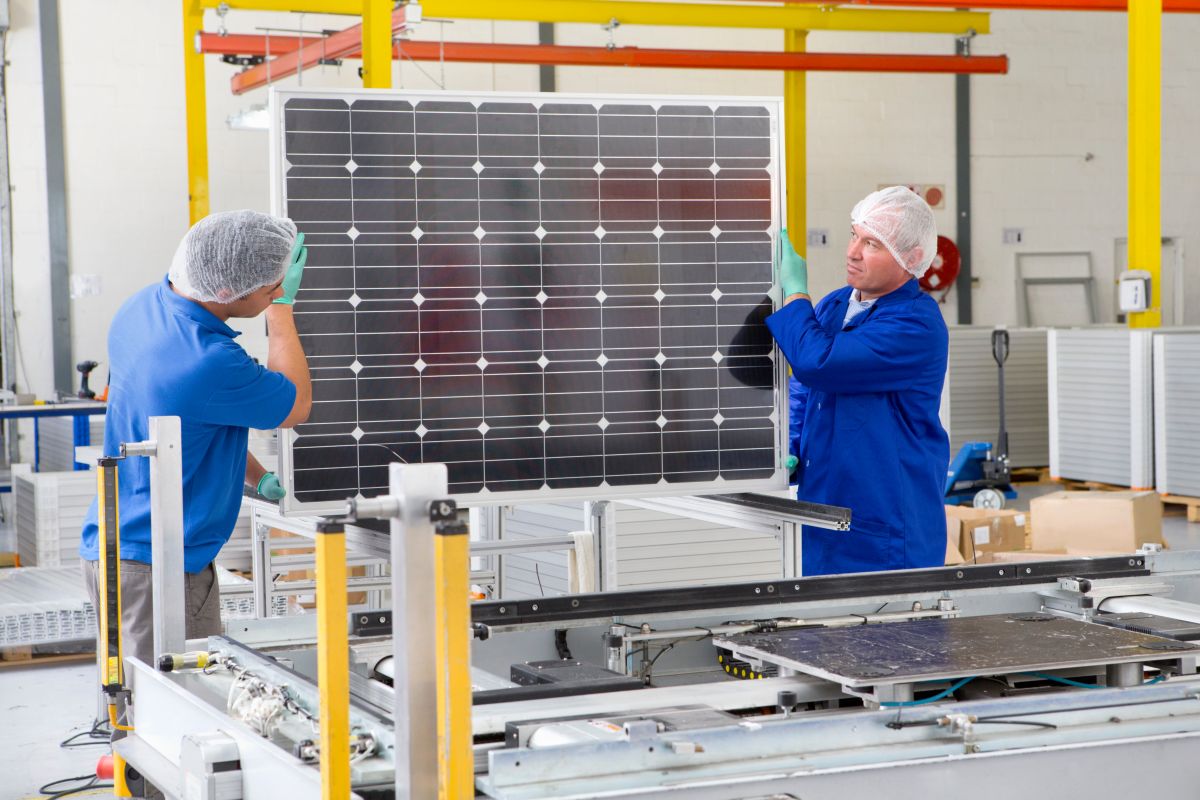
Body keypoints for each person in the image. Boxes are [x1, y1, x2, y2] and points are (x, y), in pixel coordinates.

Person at [79, 210, 312, 666]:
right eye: (269, 289)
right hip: (160, 568)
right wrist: (282, 312)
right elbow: (296, 404)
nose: (276, 292)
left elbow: (189, 423)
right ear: (226, 291)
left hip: (114, 546)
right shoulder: (212, 361)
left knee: (126, 693)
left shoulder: (141, 308)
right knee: (178, 699)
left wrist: (256, 475)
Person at [766, 186, 949, 576]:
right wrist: (791, 443)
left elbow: (818, 363)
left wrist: (795, 294)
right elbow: (805, 387)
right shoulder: (836, 303)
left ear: (911, 257)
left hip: (884, 524)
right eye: (854, 235)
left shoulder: (915, 324)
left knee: (883, 616)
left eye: (872, 244)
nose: (852, 251)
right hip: (823, 511)